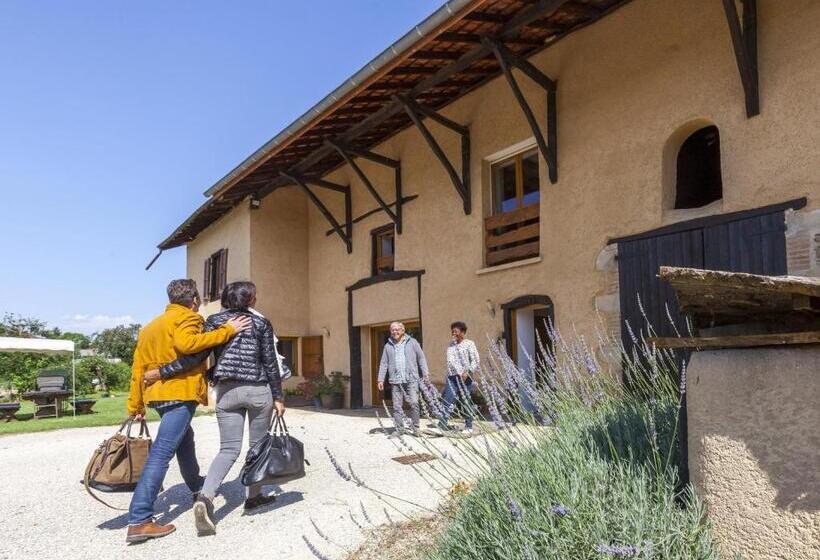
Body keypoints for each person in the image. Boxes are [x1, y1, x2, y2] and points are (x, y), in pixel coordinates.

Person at [155, 281, 285, 537]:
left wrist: (162, 372)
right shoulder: (261, 323)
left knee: (228, 449)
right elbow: (270, 362)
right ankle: (254, 498)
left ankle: (205, 498)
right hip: (258, 391)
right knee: (257, 447)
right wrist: (279, 396)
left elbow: (195, 357)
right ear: (249, 299)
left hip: (227, 392)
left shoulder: (214, 320)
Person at [125, 279, 251, 544]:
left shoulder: (150, 327)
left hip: (157, 397)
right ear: (194, 300)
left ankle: (196, 487)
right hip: (179, 394)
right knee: (161, 452)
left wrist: (135, 404)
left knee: (185, 439)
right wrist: (227, 330)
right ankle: (139, 519)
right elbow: (188, 345)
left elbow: (137, 369)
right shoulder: (189, 318)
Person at [377, 322, 429, 436]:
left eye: (397, 330)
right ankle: (400, 429)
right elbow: (384, 363)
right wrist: (380, 379)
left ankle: (416, 428)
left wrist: (425, 373)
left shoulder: (413, 342)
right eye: (392, 330)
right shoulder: (388, 346)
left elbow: (421, 358)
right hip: (396, 381)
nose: (394, 332)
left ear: (402, 330)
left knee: (414, 403)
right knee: (396, 406)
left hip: (412, 379)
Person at [438, 321, 480, 436]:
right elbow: (450, 361)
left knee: (465, 400)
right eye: (452, 332)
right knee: (447, 400)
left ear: (463, 332)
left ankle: (469, 426)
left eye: (456, 331)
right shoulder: (451, 345)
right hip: (452, 377)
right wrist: (459, 372)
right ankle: (442, 424)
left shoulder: (469, 344)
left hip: (466, 378)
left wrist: (468, 371)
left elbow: (476, 359)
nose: (454, 333)